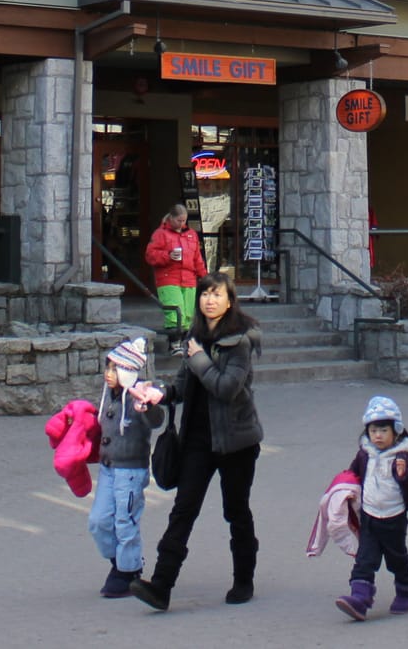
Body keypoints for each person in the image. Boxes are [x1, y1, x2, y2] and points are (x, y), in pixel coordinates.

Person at [131, 273, 263, 612]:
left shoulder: (240, 342)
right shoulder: (195, 338)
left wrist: (198, 358)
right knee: (183, 510)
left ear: (230, 301)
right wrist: (157, 394)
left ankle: (244, 579)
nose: (209, 300)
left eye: (217, 295)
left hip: (236, 442)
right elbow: (182, 387)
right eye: (205, 294)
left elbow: (226, 388)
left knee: (235, 511)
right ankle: (161, 586)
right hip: (197, 441)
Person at [90, 336, 166, 598]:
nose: (108, 374)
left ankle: (128, 570)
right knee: (98, 521)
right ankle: (120, 562)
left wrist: (146, 406)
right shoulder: (108, 397)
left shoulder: (138, 394)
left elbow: (156, 420)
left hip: (131, 471)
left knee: (125, 521)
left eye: (114, 368)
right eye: (107, 367)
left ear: (127, 371)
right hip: (109, 468)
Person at [334, 395, 408, 620]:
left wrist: (403, 476)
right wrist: (342, 491)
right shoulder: (365, 455)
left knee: (396, 558)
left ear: (396, 431)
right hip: (370, 517)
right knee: (365, 559)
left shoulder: (404, 456)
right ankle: (360, 599)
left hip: (394, 518)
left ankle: (405, 587)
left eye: (383, 430)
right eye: (373, 431)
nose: (378, 436)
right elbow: (353, 475)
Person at [144, 204, 206, 353]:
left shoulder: (191, 234)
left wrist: (204, 277)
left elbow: (197, 258)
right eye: (179, 220)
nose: (182, 224)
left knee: (188, 314)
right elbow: (150, 255)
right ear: (171, 218)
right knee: (175, 312)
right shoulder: (160, 234)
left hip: (189, 279)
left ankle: (183, 342)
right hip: (168, 278)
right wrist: (168, 256)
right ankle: (174, 342)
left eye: (184, 220)